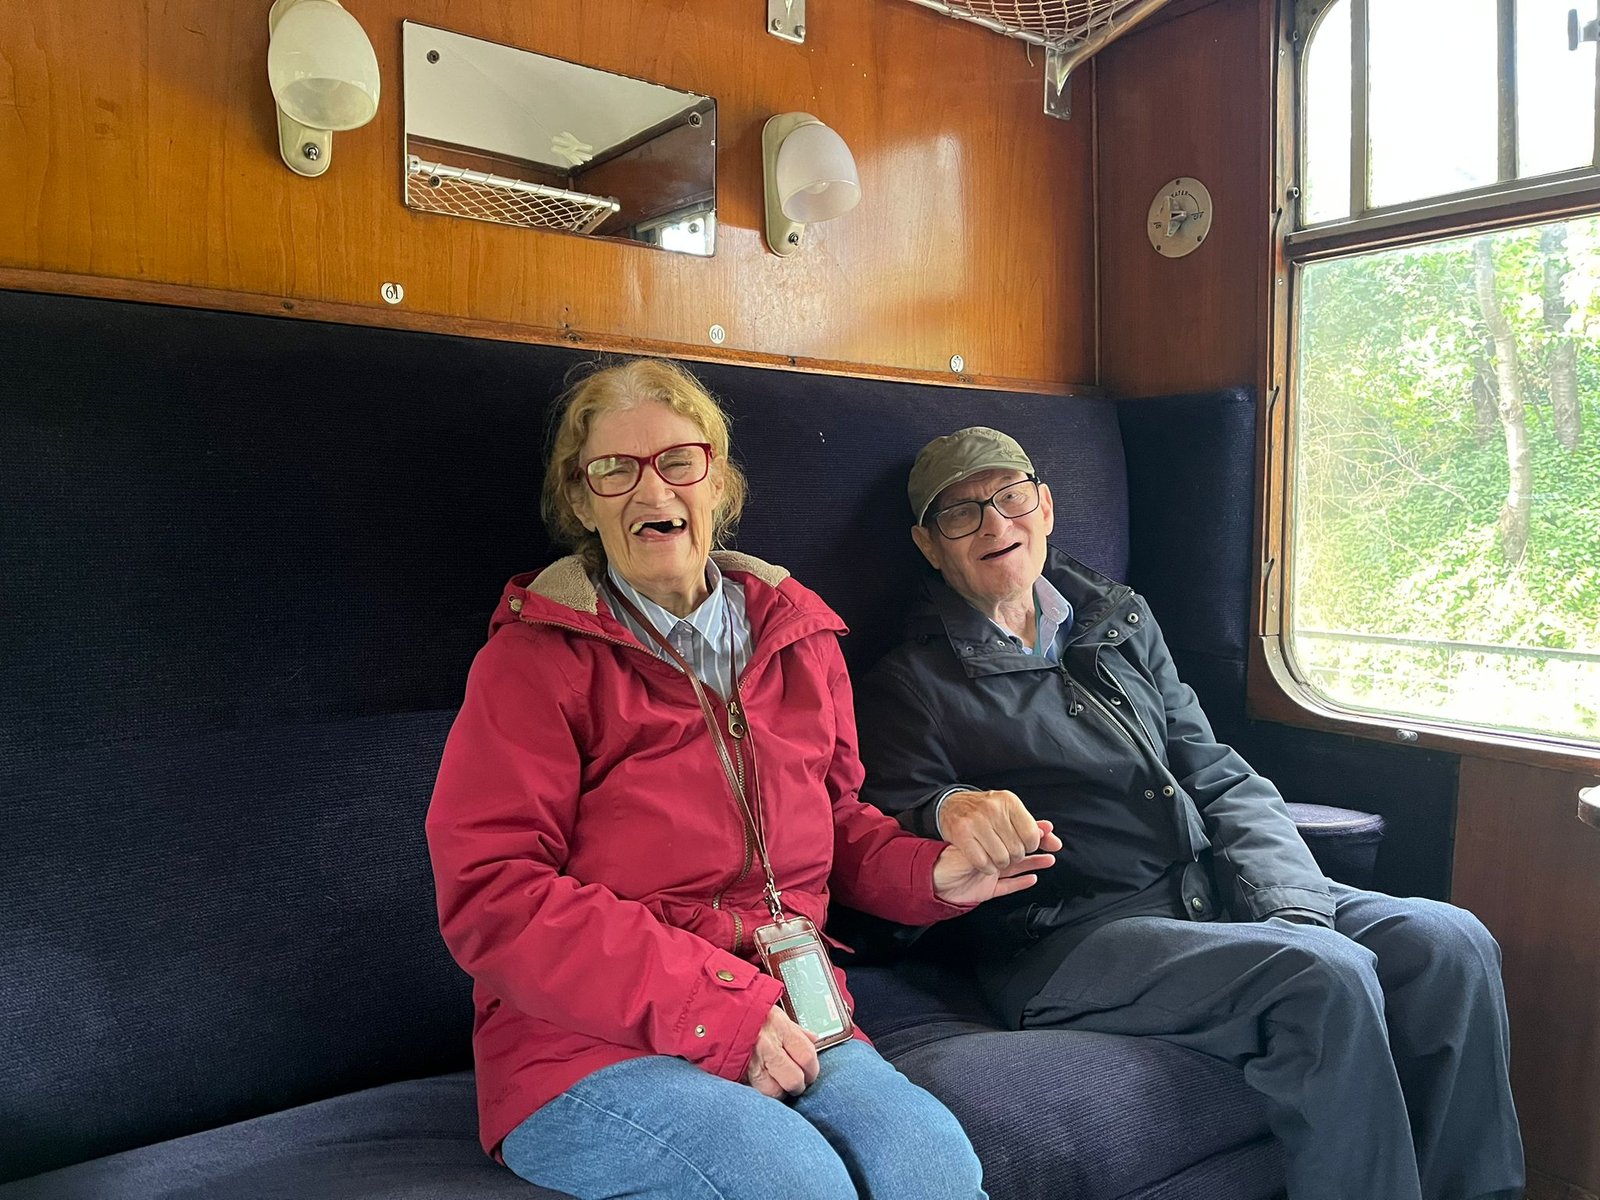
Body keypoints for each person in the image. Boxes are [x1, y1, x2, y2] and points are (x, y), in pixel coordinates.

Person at [426, 362, 1058, 1200]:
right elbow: (494, 894)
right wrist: (718, 1010)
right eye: (614, 469)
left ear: (717, 480)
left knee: (932, 1167)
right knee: (790, 1180)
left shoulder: (800, 635)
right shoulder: (533, 663)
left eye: (678, 461)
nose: (653, 490)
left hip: (792, 1014)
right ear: (582, 501)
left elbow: (835, 821)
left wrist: (932, 874)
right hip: (581, 1045)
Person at [853, 425, 1525, 1200]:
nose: (995, 524)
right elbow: (891, 822)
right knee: (1322, 976)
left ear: (1046, 507)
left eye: (1010, 497)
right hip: (1070, 937)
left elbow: (1215, 771)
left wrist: (1290, 910)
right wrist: (949, 810)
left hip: (1209, 888)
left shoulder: (1117, 621)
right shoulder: (910, 686)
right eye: (961, 513)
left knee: (1450, 942)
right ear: (929, 545)